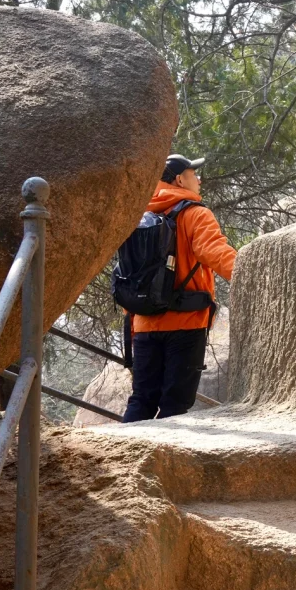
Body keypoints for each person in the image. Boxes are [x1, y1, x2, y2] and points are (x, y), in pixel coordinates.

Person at [122, 154, 238, 422]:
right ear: (179, 180)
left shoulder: (138, 215)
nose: (199, 179)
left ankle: (123, 449)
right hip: (186, 322)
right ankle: (161, 452)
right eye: (193, 174)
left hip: (144, 323)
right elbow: (215, 252)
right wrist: (254, 276)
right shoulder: (195, 214)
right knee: (175, 405)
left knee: (141, 400)